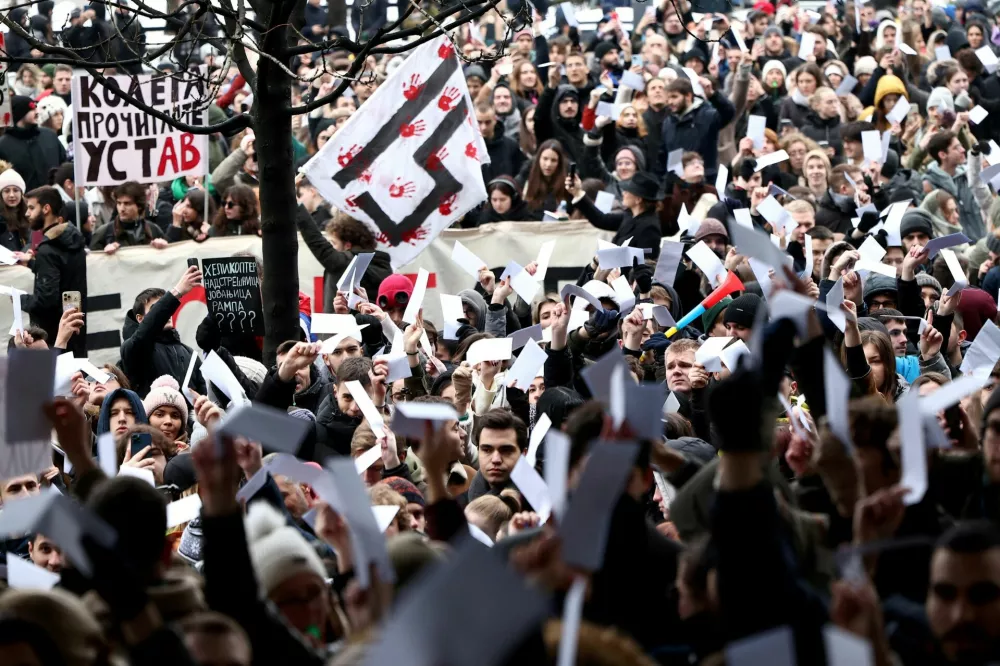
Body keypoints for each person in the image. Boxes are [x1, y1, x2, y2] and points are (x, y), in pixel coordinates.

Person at [19, 186, 87, 357]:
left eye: (32, 208)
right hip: (74, 331)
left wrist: (20, 299)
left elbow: (46, 300)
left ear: (46, 208)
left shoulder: (48, 250)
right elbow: (64, 273)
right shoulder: (73, 240)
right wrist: (33, 265)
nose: (27, 213)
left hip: (55, 336)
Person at [120, 265, 205, 398]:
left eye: (166, 308)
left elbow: (202, 395)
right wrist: (176, 292)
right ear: (140, 319)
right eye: (156, 308)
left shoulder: (190, 354)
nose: (167, 313)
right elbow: (144, 335)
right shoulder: (134, 349)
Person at [567, 171, 663, 257]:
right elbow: (601, 220)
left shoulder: (649, 228)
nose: (623, 193)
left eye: (628, 191)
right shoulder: (630, 215)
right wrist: (577, 192)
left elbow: (646, 264)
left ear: (638, 200)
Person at [658, 77, 735, 180]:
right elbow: (664, 155)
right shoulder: (668, 122)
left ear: (688, 96)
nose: (670, 102)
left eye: (674, 97)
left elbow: (729, 112)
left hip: (705, 180)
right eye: (668, 98)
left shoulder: (707, 115)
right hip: (678, 184)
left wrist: (713, 95)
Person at [0, 96, 66, 192]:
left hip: (54, 199)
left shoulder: (49, 135)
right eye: (32, 109)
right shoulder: (3, 145)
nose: (37, 112)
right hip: (23, 203)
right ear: (20, 113)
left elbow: (64, 164)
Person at [91, 181, 168, 252]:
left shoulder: (153, 230)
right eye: (119, 203)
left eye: (127, 204)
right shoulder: (104, 232)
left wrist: (163, 247)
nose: (122, 208)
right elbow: (93, 261)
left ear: (139, 206)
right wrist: (104, 254)